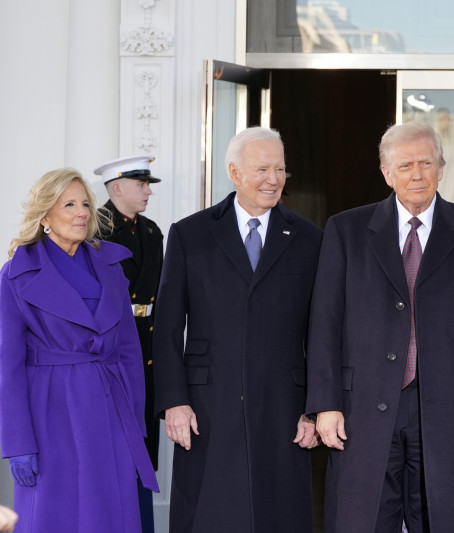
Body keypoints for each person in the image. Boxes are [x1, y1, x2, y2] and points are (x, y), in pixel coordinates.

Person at [306, 122, 454, 532]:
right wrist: (325, 405)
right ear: (386, 173)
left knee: (443, 519)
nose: (416, 174)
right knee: (364, 520)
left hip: (452, 410)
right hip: (361, 408)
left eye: (425, 163)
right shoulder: (345, 230)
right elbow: (325, 323)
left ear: (441, 167)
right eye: (405, 166)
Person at [153, 126, 322, 532]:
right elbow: (168, 326)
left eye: (280, 170)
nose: (273, 179)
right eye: (262, 169)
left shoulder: (310, 239)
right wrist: (174, 401)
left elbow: (323, 332)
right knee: (212, 512)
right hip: (207, 405)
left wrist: (316, 408)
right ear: (233, 171)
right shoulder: (189, 234)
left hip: (285, 405)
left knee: (277, 511)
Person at [0, 168, 158, 533]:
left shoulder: (111, 268)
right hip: (49, 413)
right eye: (69, 204)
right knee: (57, 515)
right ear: (45, 217)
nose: (82, 212)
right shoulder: (16, 274)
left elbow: (130, 355)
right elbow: (7, 366)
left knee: (110, 513)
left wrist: (134, 425)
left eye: (85, 203)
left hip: (109, 409)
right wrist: (18, 442)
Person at [95, 155, 164, 533]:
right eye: (142, 185)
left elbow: (159, 293)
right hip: (114, 341)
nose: (149, 191)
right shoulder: (95, 229)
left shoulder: (152, 231)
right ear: (117, 187)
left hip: (146, 341)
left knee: (143, 431)